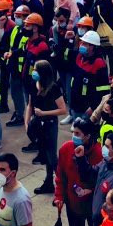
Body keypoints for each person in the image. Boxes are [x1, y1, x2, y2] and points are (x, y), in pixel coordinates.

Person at [55, 116, 103, 226]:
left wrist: (89, 190)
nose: (74, 136)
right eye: (73, 132)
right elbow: (60, 175)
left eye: (78, 133)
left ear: (88, 136)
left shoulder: (98, 153)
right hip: (73, 203)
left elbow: (101, 180)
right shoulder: (66, 149)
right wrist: (59, 196)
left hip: (93, 205)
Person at [26, 59, 68, 194]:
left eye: (36, 70)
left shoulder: (53, 88)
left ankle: (61, 182)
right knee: (44, 154)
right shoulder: (33, 84)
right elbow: (30, 105)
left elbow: (63, 110)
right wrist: (27, 123)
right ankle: (50, 181)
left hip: (49, 124)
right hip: (37, 124)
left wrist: (44, 113)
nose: (33, 72)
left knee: (52, 157)